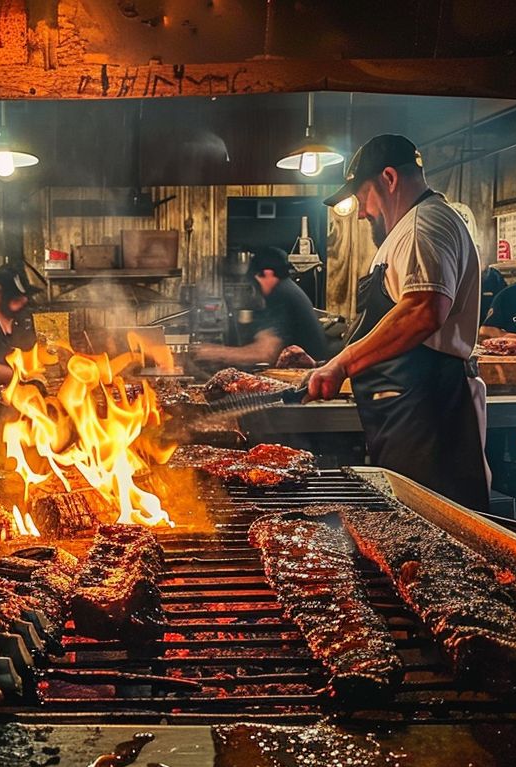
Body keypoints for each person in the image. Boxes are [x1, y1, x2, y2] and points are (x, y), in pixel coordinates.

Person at [308, 134, 490, 511]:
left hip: (428, 419)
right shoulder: (412, 228)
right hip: (410, 415)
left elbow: (425, 309)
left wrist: (343, 363)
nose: (361, 212)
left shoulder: (423, 226)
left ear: (389, 178)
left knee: (437, 539)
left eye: (362, 197)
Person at [193, 246, 330, 367]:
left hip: (303, 378)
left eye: (254, 279)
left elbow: (265, 353)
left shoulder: (280, 295)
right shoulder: (288, 289)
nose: (254, 287)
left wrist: (210, 352)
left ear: (267, 273)